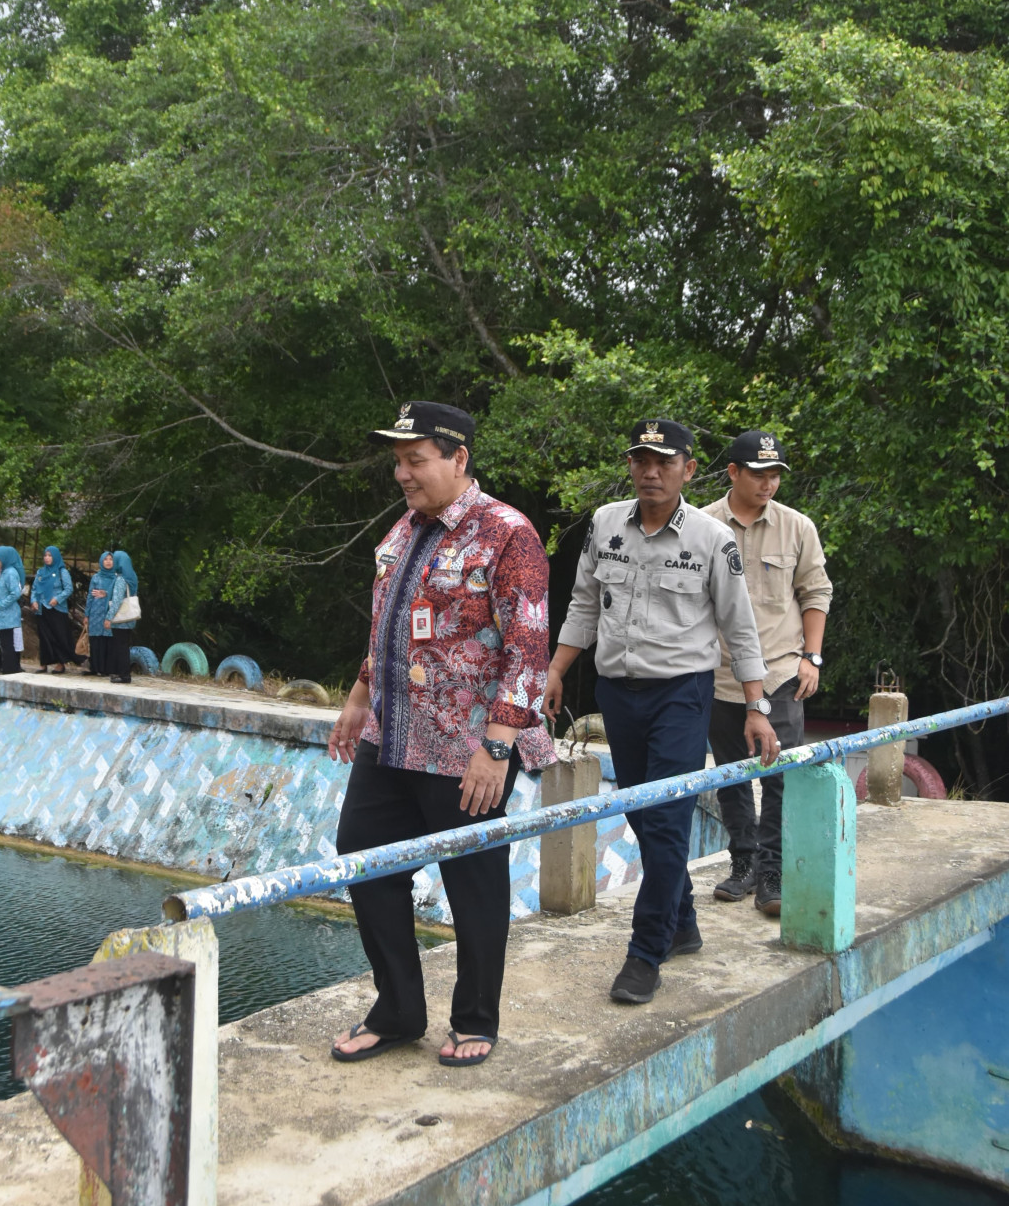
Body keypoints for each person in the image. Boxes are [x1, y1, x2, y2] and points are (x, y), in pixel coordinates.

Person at [328, 400, 556, 1069]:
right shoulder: (402, 533)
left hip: (467, 748)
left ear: (458, 460)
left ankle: (474, 1017)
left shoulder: (507, 533)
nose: (402, 473)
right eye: (398, 461)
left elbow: (528, 649)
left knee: (473, 881)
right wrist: (357, 694)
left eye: (416, 460)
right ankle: (398, 1009)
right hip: (392, 736)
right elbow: (388, 628)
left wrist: (497, 746)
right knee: (363, 861)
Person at [543, 419, 778, 1007]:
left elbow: (740, 628)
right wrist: (555, 669)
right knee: (645, 816)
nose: (651, 471)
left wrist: (756, 706)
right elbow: (584, 603)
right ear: (631, 465)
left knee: (667, 818)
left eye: (664, 462)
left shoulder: (710, 539)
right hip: (617, 693)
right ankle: (684, 924)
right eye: (641, 460)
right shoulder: (605, 523)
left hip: (681, 692)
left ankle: (646, 954)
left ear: (688, 470)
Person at [703, 431, 833, 918]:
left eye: (775, 473)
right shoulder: (702, 524)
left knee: (779, 774)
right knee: (732, 773)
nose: (769, 483)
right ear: (733, 472)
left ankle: (774, 869)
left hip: (780, 671)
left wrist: (812, 658)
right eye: (759, 473)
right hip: (718, 674)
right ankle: (744, 863)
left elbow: (815, 592)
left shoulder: (798, 527)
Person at [86, 549, 136, 683]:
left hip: (120, 619)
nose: (111, 561)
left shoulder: (120, 579)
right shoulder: (132, 577)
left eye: (114, 559)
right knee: (124, 646)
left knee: (120, 647)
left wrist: (108, 617)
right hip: (129, 618)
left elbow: (117, 600)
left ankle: (124, 675)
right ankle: (124, 674)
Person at [29, 544, 76, 674]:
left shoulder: (62, 572)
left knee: (57, 636)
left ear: (55, 557)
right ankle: (44, 663)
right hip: (42, 608)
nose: (47, 558)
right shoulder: (41, 572)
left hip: (57, 609)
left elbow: (68, 589)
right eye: (45, 555)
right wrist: (33, 601)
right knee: (44, 636)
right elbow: (34, 589)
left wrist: (57, 599)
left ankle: (60, 663)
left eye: (50, 555)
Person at [0, 545, 26, 673]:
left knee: (7, 644)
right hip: (2, 616)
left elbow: (15, 593)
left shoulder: (10, 573)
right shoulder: (5, 571)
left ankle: (10, 670)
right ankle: (10, 669)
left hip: (6, 615)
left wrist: (0, 604)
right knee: (5, 643)